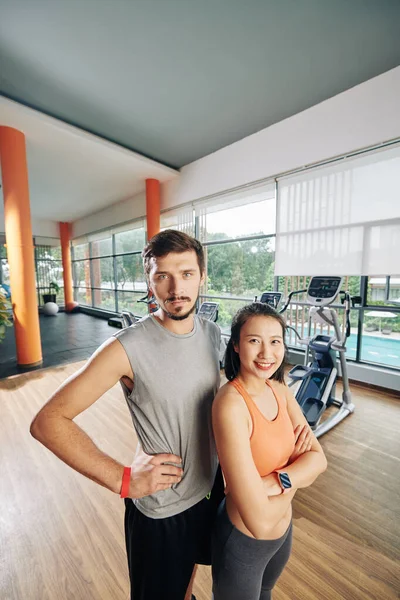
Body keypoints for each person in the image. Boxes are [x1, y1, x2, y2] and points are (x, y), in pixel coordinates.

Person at [30, 229, 224, 600]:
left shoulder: (211, 334)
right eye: (161, 275)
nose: (175, 288)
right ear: (149, 283)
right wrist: (123, 480)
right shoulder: (126, 347)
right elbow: (47, 422)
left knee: (187, 584)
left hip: (207, 490)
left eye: (186, 274)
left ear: (202, 276)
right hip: (162, 507)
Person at [212, 302, 327, 600]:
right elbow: (260, 523)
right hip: (243, 543)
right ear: (236, 345)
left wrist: (276, 482)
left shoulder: (280, 389)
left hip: (283, 534)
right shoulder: (230, 404)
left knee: (266, 593)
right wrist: (297, 477)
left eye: (275, 341)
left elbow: (319, 460)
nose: (267, 353)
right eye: (254, 341)